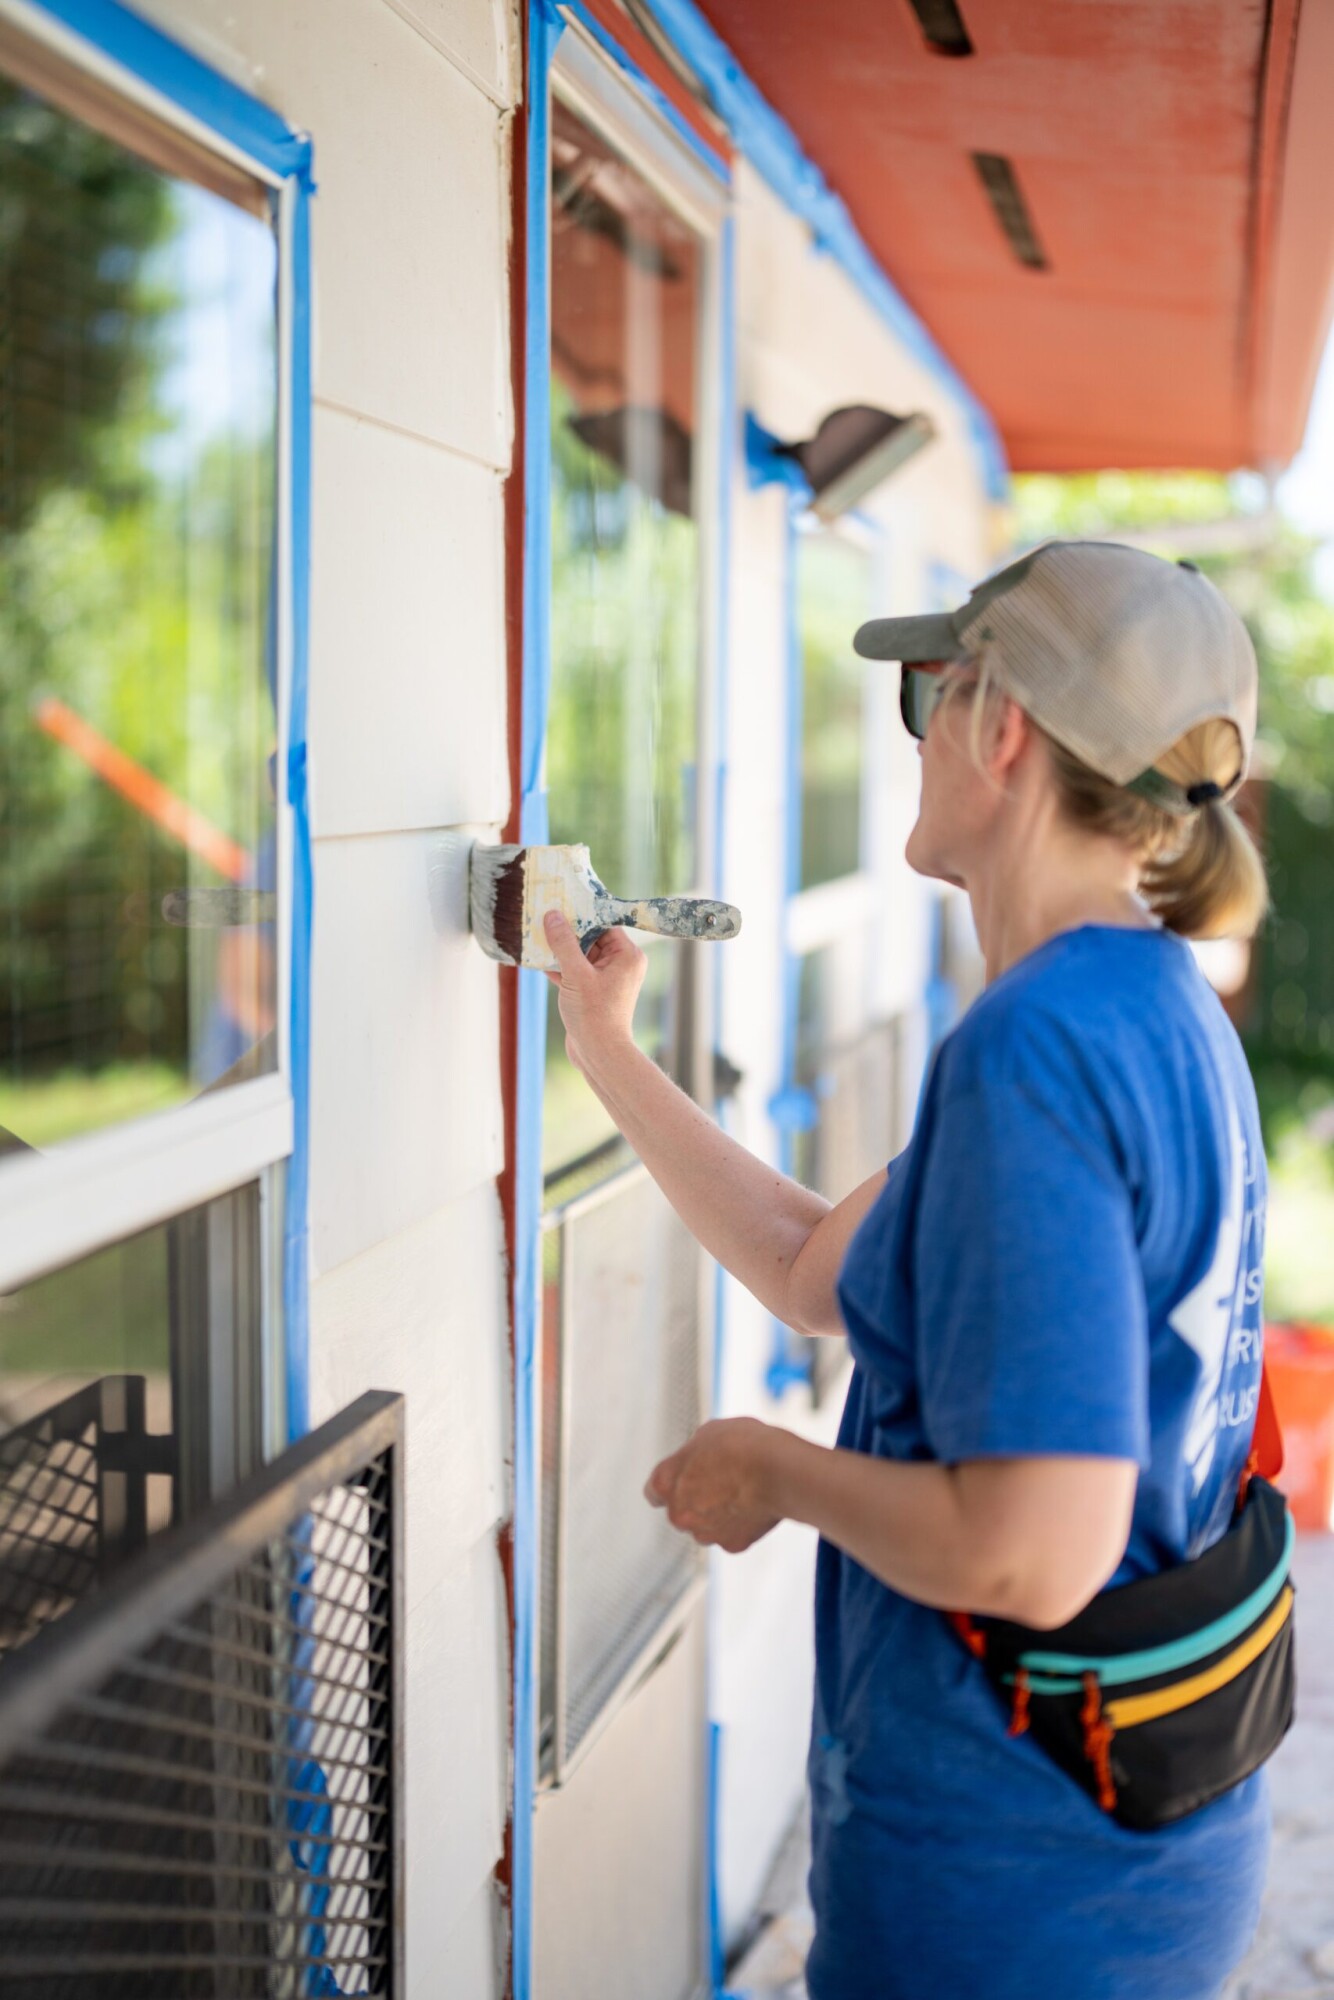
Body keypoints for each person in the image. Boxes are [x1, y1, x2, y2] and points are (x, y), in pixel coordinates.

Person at [540, 540, 1272, 2000]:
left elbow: (1035, 1554)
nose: (918, 738)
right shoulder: (1146, 1005)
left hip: (1010, 1896)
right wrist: (605, 1048)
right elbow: (817, 1273)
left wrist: (774, 1470)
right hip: (1128, 1854)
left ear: (996, 728)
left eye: (924, 699)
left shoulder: (1036, 1053)